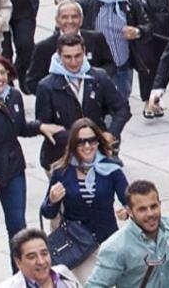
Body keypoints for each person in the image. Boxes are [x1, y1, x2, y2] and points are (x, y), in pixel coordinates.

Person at [0, 55, 62, 259]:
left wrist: (40, 127)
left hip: (13, 170)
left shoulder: (13, 96)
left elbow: (19, 127)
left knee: (18, 228)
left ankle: (22, 276)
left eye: (2, 72)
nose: (0, 78)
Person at [39, 118, 128, 279]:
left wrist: (126, 212)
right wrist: (52, 199)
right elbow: (47, 212)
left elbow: (129, 200)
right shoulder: (62, 172)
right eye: (81, 142)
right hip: (78, 245)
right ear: (73, 144)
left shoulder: (111, 169)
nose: (87, 146)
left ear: (98, 142)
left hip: (107, 240)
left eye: (91, 141)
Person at [85, 179, 169, 287]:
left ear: (160, 204)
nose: (150, 214)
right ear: (130, 212)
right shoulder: (116, 247)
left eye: (153, 206)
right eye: (142, 209)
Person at [34, 33, 130, 168]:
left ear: (84, 52)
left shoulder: (99, 77)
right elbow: (44, 125)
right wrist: (81, 139)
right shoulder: (46, 86)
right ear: (59, 55)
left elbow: (122, 108)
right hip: (61, 157)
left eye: (78, 56)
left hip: (96, 153)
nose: (74, 62)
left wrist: (111, 132)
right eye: (68, 57)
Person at [76, 0, 151, 100]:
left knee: (121, 107)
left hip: (123, 66)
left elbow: (148, 27)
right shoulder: (86, 4)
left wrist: (138, 31)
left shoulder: (129, 1)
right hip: (99, 68)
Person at [24, 1, 115, 95]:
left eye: (74, 17)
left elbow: (110, 65)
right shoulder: (44, 48)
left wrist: (96, 79)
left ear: (81, 20)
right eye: (64, 17)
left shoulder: (96, 39)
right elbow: (32, 82)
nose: (70, 21)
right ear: (57, 21)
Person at [0, 228, 81, 288]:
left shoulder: (64, 275)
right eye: (32, 257)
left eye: (44, 253)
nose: (41, 261)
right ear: (18, 262)